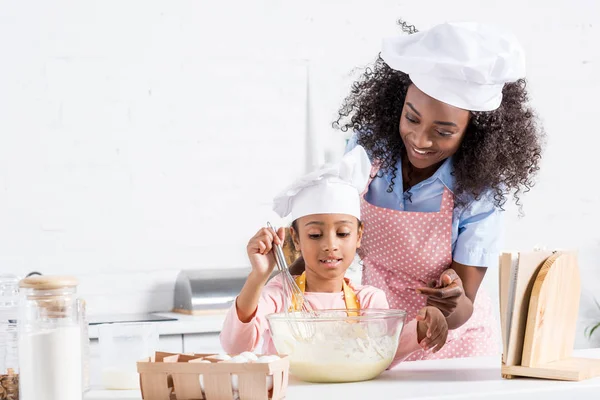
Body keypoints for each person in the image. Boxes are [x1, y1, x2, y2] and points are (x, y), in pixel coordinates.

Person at [292, 21, 544, 360]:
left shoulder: (477, 192)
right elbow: (329, 229)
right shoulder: (369, 150)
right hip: (379, 333)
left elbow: (464, 303)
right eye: (411, 119)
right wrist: (283, 269)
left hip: (456, 347)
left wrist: (448, 304)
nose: (420, 140)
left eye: (443, 132)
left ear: (471, 136)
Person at [220, 146, 448, 364]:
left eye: (342, 233)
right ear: (296, 239)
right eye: (315, 235)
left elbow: (382, 353)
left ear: (359, 236)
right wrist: (259, 276)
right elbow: (236, 348)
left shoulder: (368, 301)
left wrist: (421, 328)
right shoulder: (279, 296)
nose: (330, 245)